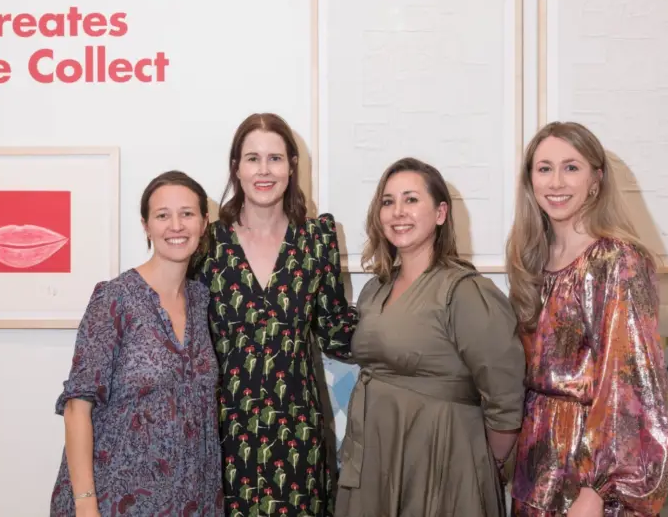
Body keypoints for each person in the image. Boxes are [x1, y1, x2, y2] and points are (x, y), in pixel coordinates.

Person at [333, 157, 526, 516]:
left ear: (440, 213)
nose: (397, 212)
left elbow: (505, 397)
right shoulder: (375, 289)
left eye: (411, 199)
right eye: (387, 202)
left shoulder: (466, 292)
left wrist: (479, 464)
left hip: (443, 459)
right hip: (375, 458)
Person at [191, 112, 358, 516]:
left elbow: (337, 331)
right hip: (227, 434)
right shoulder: (208, 241)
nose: (264, 170)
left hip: (298, 435)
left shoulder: (317, 238)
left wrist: (409, 305)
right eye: (252, 158)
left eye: (275, 158)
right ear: (236, 168)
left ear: (292, 166)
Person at [506, 121, 668, 516]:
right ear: (530, 180)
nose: (556, 182)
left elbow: (629, 385)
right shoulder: (530, 259)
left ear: (596, 178)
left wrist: (596, 489)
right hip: (534, 464)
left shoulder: (618, 261)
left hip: (587, 472)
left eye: (571, 167)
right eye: (544, 168)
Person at [50, 171, 223, 517]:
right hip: (114, 502)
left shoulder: (203, 300)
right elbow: (76, 408)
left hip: (192, 500)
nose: (176, 225)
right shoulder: (114, 299)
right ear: (146, 225)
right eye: (163, 215)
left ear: (204, 223)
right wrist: (86, 506)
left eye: (187, 213)